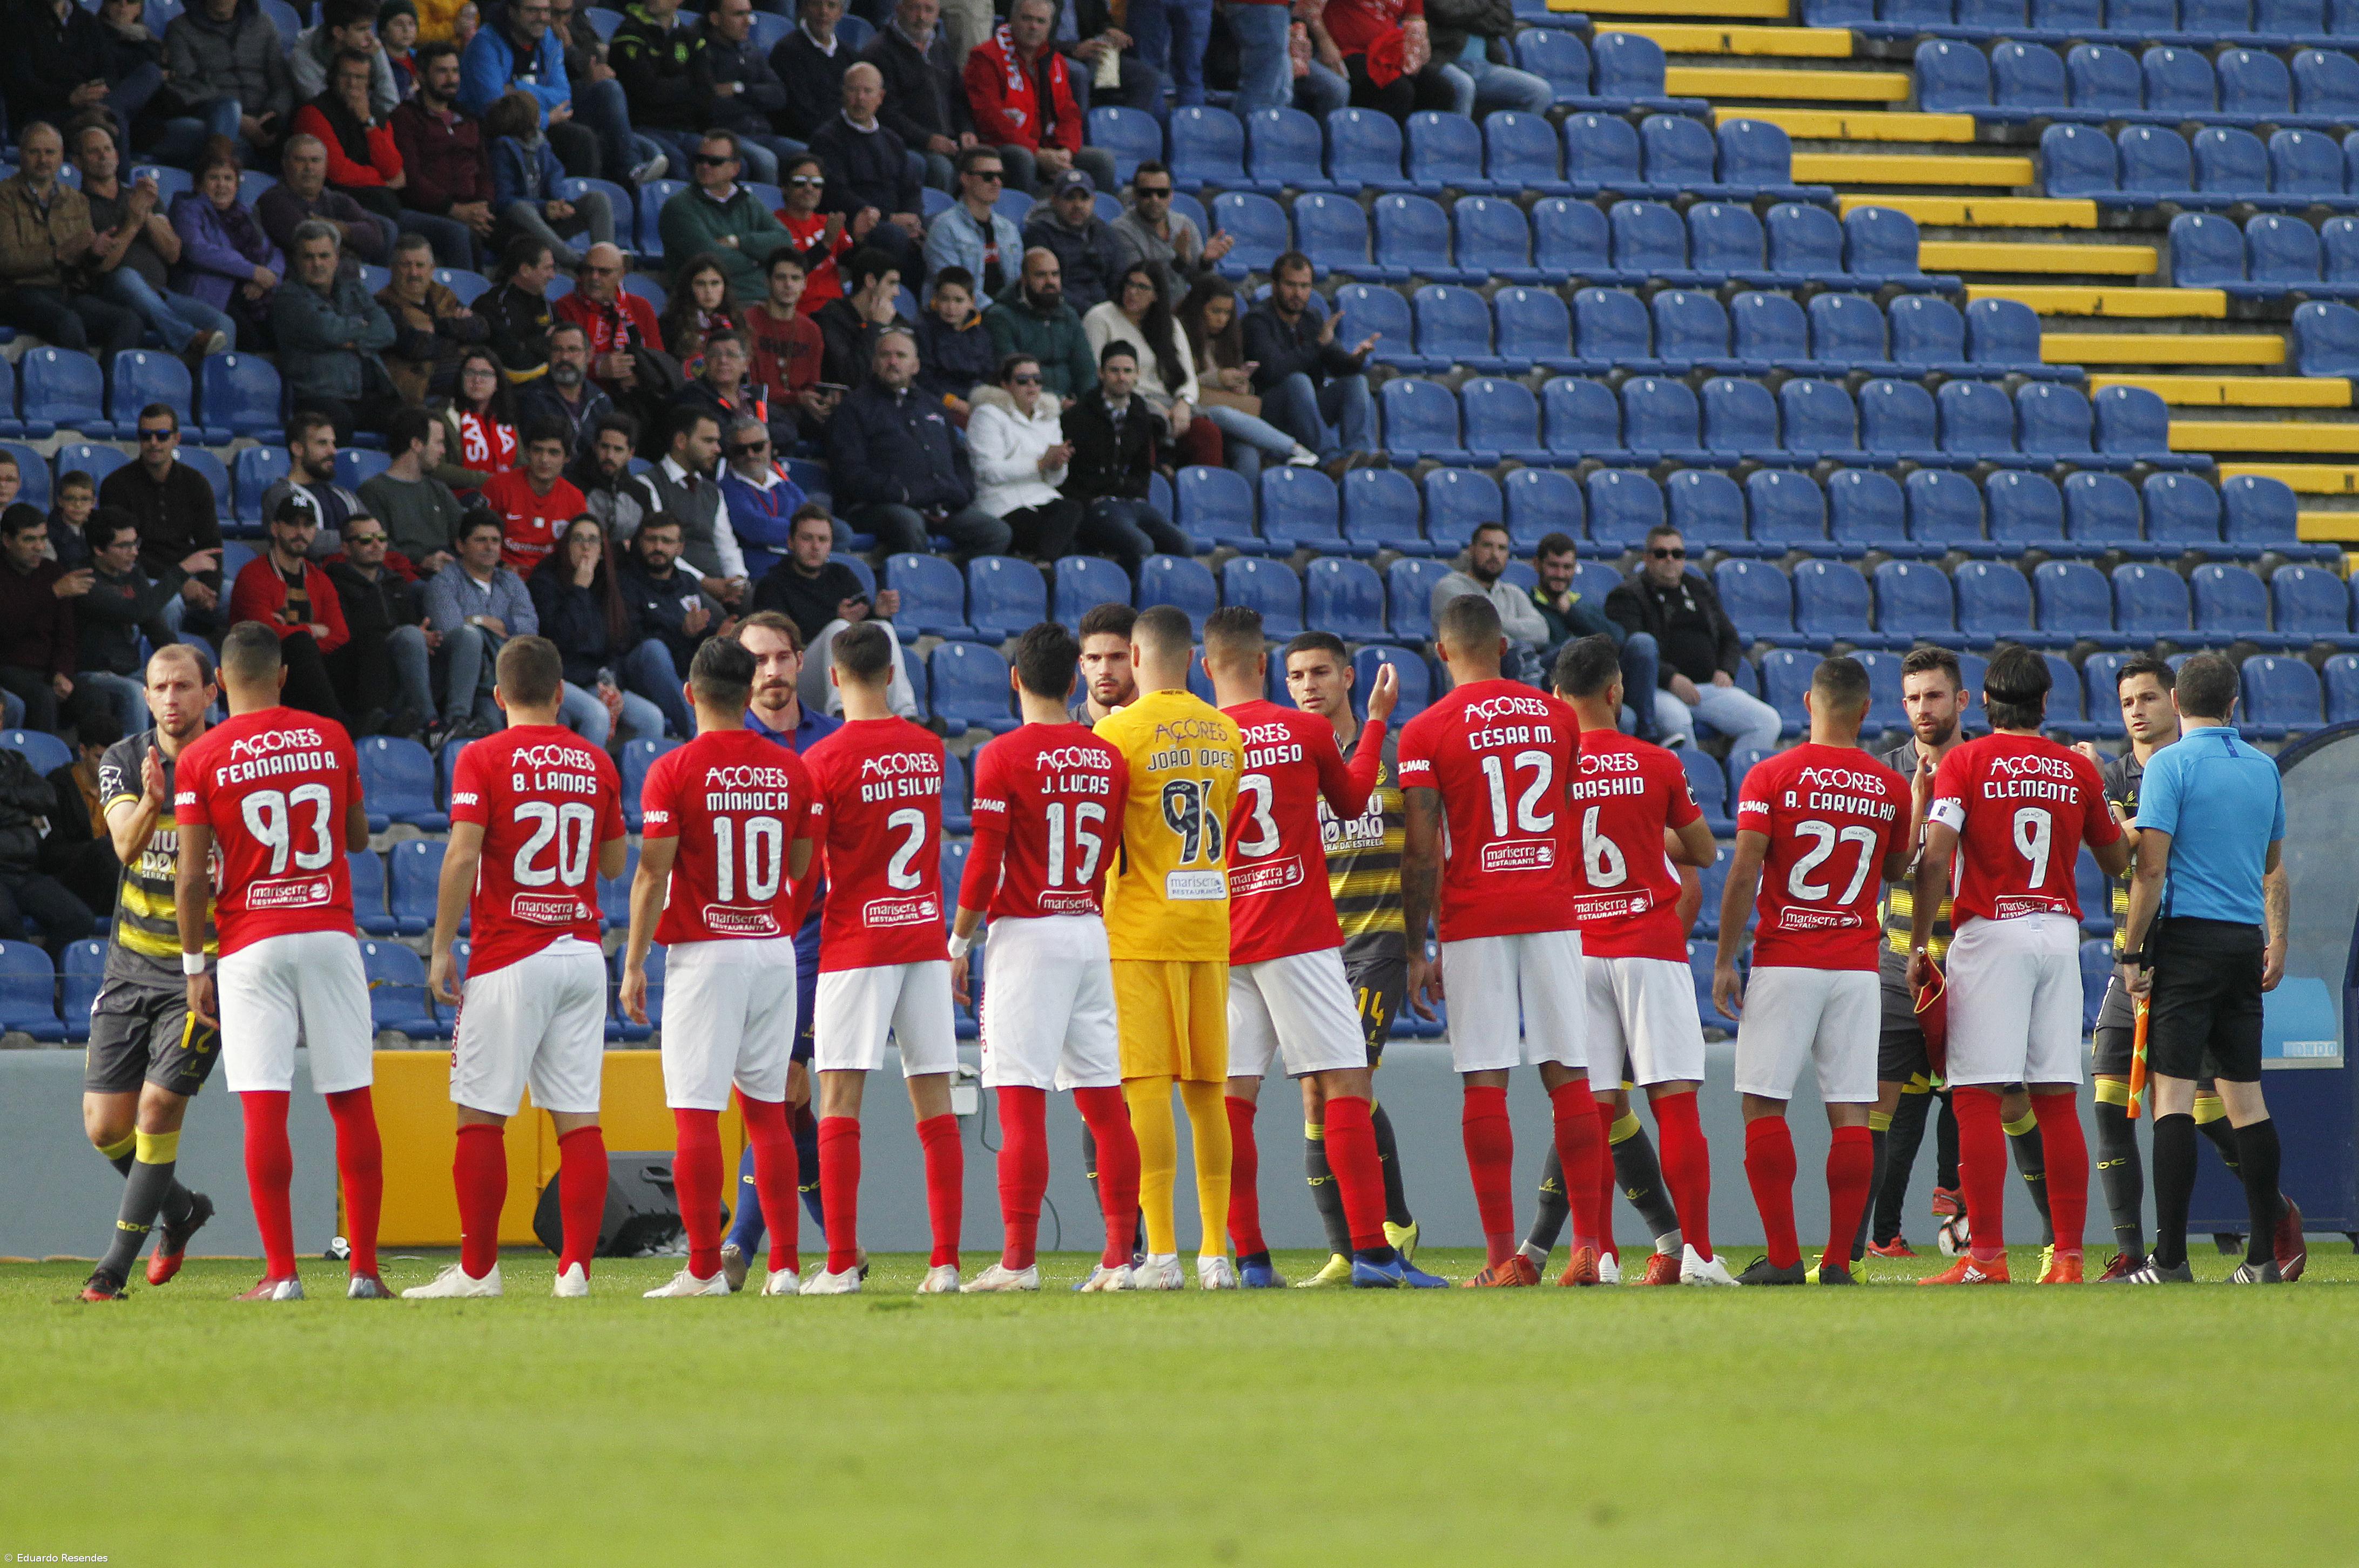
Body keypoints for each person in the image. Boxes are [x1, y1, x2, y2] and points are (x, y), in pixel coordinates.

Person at [1204, 609, 1440, 1290]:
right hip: (1301, 935)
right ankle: (1371, 1253)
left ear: (1205, 666)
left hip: (1225, 939)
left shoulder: (1196, 742)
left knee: (1233, 1100)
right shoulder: (1303, 731)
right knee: (1344, 1085)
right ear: (1261, 667)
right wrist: (1374, 724)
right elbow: (1353, 795)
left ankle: (1250, 1261)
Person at [401, 633, 624, 1300]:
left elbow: (463, 855)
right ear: (560, 694)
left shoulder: (483, 755)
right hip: (582, 953)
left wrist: (442, 947)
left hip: (510, 953)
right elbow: (613, 864)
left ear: (498, 696)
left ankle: (478, 1272)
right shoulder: (595, 761)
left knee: (480, 1117)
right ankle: (575, 1271)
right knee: (578, 1117)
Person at [1398, 592, 1608, 1288]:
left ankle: (1499, 1260)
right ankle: (1590, 1250)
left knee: (1485, 1078)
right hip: (1552, 907)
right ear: (1504, 647)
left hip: (1474, 915)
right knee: (1570, 1076)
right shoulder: (1558, 716)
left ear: (1442, 651)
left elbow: (1424, 852)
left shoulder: (1426, 731)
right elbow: (1574, 810)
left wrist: (1415, 948)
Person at [171, 620, 383, 1302]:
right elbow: (354, 839)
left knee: (264, 1106)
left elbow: (192, 875)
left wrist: (193, 965)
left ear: (219, 685)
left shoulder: (202, 757)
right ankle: (366, 1272)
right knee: (351, 1102)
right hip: (328, 931)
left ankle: (282, 1274)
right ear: (284, 676)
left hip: (250, 941)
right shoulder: (330, 736)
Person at [2074, 656, 2301, 1282]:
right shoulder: (2263, 769)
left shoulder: (2170, 766)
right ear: (2235, 703)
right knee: (2247, 1102)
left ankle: (2169, 1259)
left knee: (2170, 1099)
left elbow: (2148, 870)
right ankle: (2262, 1257)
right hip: (2241, 943)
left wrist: (2131, 951)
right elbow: (2270, 860)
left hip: (2186, 943)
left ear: (2177, 701)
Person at [1908, 645, 2127, 1286]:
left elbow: (1935, 855)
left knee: (1975, 1098)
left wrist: (1921, 945)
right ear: (2045, 703)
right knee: (2057, 1101)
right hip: (2059, 936)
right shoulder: (2074, 770)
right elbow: (2117, 863)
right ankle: (2068, 1258)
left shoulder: (1966, 762)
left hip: (1992, 932)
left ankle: (1986, 1260)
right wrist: (2102, 796)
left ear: (1984, 701)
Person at [619, 636, 818, 1294]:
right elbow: (800, 868)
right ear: (747, 693)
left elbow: (651, 873)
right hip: (771, 946)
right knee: (768, 1114)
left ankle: (704, 1267)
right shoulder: (793, 769)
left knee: (697, 1114)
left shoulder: (674, 769)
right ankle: (785, 1266)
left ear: (689, 693)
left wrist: (633, 963)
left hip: (707, 952)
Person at [947, 621, 1141, 1292]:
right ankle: (1121, 1258)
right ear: (1073, 681)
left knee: (1022, 1104)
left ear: (1014, 680)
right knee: (1105, 1103)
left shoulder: (1002, 756)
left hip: (1027, 935)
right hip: (1088, 928)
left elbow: (983, 864)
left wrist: (956, 944)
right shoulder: (1107, 757)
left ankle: (1019, 1262)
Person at [1713, 653, 1909, 1286]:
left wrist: (1723, 958)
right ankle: (1837, 1264)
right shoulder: (1889, 785)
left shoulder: (1770, 775)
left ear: (1807, 704)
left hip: (1786, 958)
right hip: (1856, 965)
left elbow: (1745, 869)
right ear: (1866, 710)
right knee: (1852, 1110)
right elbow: (1897, 871)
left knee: (1763, 1106)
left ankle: (1784, 1256)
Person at [1549, 634, 1729, 1286]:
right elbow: (1705, 853)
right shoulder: (1655, 763)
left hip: (1575, 949)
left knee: (1593, 1107)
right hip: (1649, 947)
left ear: (1556, 697)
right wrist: (1646, 828)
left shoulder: (1550, 768)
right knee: (1673, 1101)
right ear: (1617, 690)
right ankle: (1699, 1258)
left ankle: (1596, 1253)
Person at [799, 620, 966, 1294]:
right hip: (922, 938)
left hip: (855, 942)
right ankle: (946, 1263)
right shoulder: (930, 750)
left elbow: (808, 868)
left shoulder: (825, 760)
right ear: (893, 676)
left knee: (840, 1099)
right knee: (935, 1101)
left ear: (835, 679)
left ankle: (841, 1264)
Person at [1088, 605, 1240, 1289]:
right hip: (1209, 926)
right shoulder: (1227, 732)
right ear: (1194, 661)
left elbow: (1105, 837)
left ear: (1139, 658)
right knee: (1209, 1092)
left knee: (1146, 1090)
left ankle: (1164, 1255)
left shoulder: (1115, 731)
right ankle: (1216, 1254)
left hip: (1141, 929)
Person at [1270, 633, 1425, 1284]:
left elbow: (1422, 855)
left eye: (1321, 672)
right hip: (1312, 951)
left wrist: (1420, 948)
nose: (1309, 685)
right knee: (1317, 1095)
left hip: (1377, 946)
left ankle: (1388, 1234)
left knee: (1347, 1083)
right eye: (1298, 675)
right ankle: (1348, 1249)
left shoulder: (1393, 754)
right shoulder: (1291, 760)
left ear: (1349, 677)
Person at [71, 647, 223, 1303]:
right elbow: (123, 848)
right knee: (106, 1126)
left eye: (184, 687)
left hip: (203, 971)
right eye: (159, 687)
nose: (170, 699)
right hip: (131, 964)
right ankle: (181, 1209)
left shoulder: (231, 763)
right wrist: (153, 801)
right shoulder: (123, 761)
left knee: (159, 1108)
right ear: (146, 694)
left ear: (210, 692)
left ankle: (112, 1270)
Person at [712, 611, 836, 1282]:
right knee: (787, 1103)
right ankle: (841, 1244)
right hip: (750, 940)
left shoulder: (832, 741)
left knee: (781, 1089)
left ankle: (742, 1243)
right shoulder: (728, 744)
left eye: (784, 657)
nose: (772, 671)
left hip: (815, 943)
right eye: (758, 660)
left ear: (798, 663)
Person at [827, 329, 1014, 563]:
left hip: (940, 506)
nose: (893, 362)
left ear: (915, 366)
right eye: (886, 355)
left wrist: (963, 491)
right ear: (874, 363)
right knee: (908, 523)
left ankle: (949, 583)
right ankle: (914, 589)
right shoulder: (854, 408)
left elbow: (959, 457)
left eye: (901, 356)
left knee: (996, 532)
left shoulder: (933, 406)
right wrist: (900, 493)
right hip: (880, 506)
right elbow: (849, 471)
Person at [1605, 524, 1782, 755]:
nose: (1670, 560)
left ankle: (1740, 786)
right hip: (1656, 690)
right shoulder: (1628, 595)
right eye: (1661, 554)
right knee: (1678, 723)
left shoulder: (1700, 588)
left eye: (1677, 554)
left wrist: (1726, 670)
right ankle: (1691, 788)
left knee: (1768, 721)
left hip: (1706, 688)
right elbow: (1630, 651)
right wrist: (1671, 678)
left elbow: (1730, 637)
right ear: (1647, 558)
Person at [71, 121, 236, 364]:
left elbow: (173, 253)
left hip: (160, 294)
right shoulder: (77, 204)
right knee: (127, 276)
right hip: (111, 293)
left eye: (107, 149)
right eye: (93, 151)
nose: (103, 156)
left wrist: (146, 213)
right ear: (78, 162)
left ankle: (202, 389)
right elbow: (103, 266)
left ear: (117, 156)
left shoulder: (141, 195)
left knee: (224, 323)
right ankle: (190, 338)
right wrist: (134, 223)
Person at [296, 48, 476, 267]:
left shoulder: (377, 114)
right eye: (346, 76)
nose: (353, 84)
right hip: (346, 206)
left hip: (388, 208)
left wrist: (368, 123)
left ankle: (463, 302)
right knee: (386, 231)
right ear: (333, 77)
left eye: (360, 77)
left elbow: (394, 170)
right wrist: (382, 181)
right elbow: (337, 172)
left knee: (457, 233)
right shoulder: (315, 112)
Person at [0, 124, 143, 355]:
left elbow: (85, 267)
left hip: (66, 292)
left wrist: (95, 254)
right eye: (34, 152)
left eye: (50, 152)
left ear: (61, 156)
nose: (43, 159)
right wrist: (58, 254)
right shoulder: (4, 196)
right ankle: (84, 385)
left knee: (130, 321)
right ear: (20, 153)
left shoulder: (76, 200)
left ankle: (106, 385)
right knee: (68, 322)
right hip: (19, 293)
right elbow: (6, 261)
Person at [528, 516, 665, 742]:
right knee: (597, 714)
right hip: (558, 682)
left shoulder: (607, 585)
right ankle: (590, 777)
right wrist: (579, 589)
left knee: (652, 717)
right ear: (566, 547)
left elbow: (619, 643)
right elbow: (559, 638)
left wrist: (611, 684)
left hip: (595, 681)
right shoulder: (545, 581)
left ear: (602, 550)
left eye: (593, 540)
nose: (585, 547)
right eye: (578, 539)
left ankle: (635, 778)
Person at [963, 0, 1118, 196]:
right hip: (1002, 148)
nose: (1034, 26)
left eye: (1041, 21)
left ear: (1049, 26)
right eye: (1027, 18)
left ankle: (1090, 224)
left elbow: (1069, 113)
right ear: (1012, 20)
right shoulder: (986, 58)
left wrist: (1066, 151)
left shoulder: (1056, 61)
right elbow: (990, 119)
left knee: (1102, 162)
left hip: (1049, 147)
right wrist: (1037, 153)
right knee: (1023, 158)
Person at [1062, 341, 1190, 578]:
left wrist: (1135, 493)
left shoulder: (1141, 412)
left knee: (1183, 544)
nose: (1121, 377)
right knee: (1141, 546)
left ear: (1138, 375)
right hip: (1096, 503)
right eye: (1114, 370)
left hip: (1133, 502)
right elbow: (1071, 472)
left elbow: (1143, 468)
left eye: (1128, 371)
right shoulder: (1078, 415)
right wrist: (1093, 496)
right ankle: (1124, 598)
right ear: (1101, 373)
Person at [1175, 275, 1318, 484]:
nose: (1222, 319)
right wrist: (1219, 378)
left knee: (1249, 454)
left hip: (1229, 414)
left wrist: (1243, 386)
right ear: (1198, 308)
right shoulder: (1179, 334)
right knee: (1222, 413)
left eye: (1227, 313)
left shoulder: (1229, 339)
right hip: (1194, 411)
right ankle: (1294, 448)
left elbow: (1238, 384)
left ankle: (1239, 512)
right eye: (1215, 311)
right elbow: (1183, 381)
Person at [79, 509, 204, 738]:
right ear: (99, 549)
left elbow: (153, 623)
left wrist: (184, 661)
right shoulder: (84, 580)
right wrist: (182, 572)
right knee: (136, 693)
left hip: (131, 670)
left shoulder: (133, 573)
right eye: (124, 546)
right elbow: (134, 611)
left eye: (135, 543)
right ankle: (133, 764)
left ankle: (200, 750)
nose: (134, 552)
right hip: (93, 673)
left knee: (193, 682)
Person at [230, 495, 353, 725]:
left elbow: (341, 635)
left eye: (308, 525)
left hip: (311, 673)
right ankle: (341, 725)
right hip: (266, 673)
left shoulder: (321, 580)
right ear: (276, 528)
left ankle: (375, 722)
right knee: (299, 642)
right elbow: (265, 636)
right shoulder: (253, 575)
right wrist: (312, 631)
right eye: (293, 524)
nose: (301, 532)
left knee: (364, 643)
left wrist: (300, 639)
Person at [100, 404, 226, 630]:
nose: (154, 443)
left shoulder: (196, 483)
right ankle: (166, 666)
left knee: (239, 596)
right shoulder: (116, 485)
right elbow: (125, 554)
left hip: (190, 575)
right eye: (146, 436)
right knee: (170, 605)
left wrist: (210, 589)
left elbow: (211, 543)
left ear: (176, 439)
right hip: (143, 577)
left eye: (162, 436)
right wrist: (179, 582)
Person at [1244, 251, 1375, 467]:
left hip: (1309, 412)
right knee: (1299, 381)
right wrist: (1317, 345)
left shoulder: (1312, 318)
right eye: (1291, 285)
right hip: (1272, 414)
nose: (1298, 293)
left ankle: (1358, 455)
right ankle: (1330, 460)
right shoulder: (1257, 320)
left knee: (1356, 383)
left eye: (1305, 286)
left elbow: (1334, 360)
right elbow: (1274, 370)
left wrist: (1355, 359)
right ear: (1274, 285)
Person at [274, 219, 403, 438]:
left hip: (364, 394)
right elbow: (328, 331)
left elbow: (387, 332)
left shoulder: (354, 289)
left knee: (411, 422)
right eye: (309, 257)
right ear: (296, 260)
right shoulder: (289, 297)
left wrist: (350, 338)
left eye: (324, 256)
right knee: (337, 423)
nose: (317, 264)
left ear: (336, 259)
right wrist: (360, 326)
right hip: (317, 395)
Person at [1084, 263, 1219, 469]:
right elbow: (1098, 372)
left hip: (1171, 403)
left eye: (1142, 287)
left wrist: (1184, 403)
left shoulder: (1170, 324)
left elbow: (1188, 377)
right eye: (1129, 284)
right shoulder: (1101, 317)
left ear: (1156, 295)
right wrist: (1154, 408)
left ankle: (1203, 494)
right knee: (1144, 425)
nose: (1132, 292)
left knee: (1207, 433)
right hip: (1128, 400)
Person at [1529, 531, 1659, 739]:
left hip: (1603, 685)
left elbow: (1617, 638)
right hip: (1563, 693)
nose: (1561, 574)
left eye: (1567, 567)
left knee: (1642, 643)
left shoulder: (1581, 605)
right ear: (1537, 565)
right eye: (1553, 566)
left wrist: (1571, 612)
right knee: (1573, 648)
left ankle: (1647, 737)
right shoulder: (1528, 604)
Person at [455, 0, 602, 180]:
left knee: (583, 139)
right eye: (532, 11)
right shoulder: (485, 43)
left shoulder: (549, 37)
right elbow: (494, 108)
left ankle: (574, 203)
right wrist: (545, 119)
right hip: (491, 129)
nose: (542, 18)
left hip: (531, 123)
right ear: (512, 11)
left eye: (546, 11)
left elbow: (563, 96)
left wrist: (516, 88)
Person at [423, 508, 538, 732]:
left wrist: (479, 621)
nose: (490, 547)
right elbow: (455, 633)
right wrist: (501, 626)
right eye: (481, 540)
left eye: (495, 541)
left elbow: (530, 627)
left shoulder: (512, 582)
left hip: (516, 681)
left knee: (569, 716)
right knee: (495, 726)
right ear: (460, 546)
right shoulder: (443, 583)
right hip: (476, 687)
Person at [323, 512, 436, 735]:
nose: (376, 545)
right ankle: (430, 724)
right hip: (359, 674)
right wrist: (412, 634)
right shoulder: (333, 583)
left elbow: (411, 626)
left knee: (460, 638)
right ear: (346, 548)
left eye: (381, 538)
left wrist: (424, 636)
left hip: (402, 666)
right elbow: (347, 635)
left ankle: (457, 718)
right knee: (404, 638)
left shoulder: (396, 582)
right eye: (366, 539)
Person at [807, 63, 924, 278]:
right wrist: (890, 218)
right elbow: (836, 193)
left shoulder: (893, 141)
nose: (860, 98)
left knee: (935, 233)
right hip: (857, 224)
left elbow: (912, 188)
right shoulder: (827, 139)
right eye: (853, 90)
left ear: (880, 97)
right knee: (893, 236)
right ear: (843, 93)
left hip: (894, 220)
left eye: (868, 91)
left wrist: (914, 219)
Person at [170, 137, 285, 350]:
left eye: (228, 178)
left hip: (254, 293)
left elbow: (274, 252)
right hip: (213, 296)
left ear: (236, 184)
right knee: (249, 338)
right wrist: (252, 271)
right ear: (198, 184)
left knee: (286, 327)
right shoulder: (187, 208)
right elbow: (197, 250)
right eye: (214, 178)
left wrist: (267, 277)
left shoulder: (247, 213)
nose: (222, 185)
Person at [614, 512, 722, 738]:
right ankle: (698, 737)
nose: (658, 547)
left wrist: (719, 636)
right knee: (654, 649)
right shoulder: (625, 583)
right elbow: (630, 638)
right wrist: (682, 632)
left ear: (680, 548)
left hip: (684, 674)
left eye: (667, 541)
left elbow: (701, 631)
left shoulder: (688, 583)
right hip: (639, 673)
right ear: (639, 543)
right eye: (651, 540)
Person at [390, 43, 500, 265]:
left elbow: (485, 172)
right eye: (442, 71)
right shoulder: (406, 117)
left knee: (522, 235)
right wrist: (454, 209)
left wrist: (483, 207)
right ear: (421, 76)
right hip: (430, 210)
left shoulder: (468, 119)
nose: (451, 78)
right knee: (460, 234)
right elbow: (412, 178)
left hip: (474, 209)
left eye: (455, 71)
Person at [966, 353, 1080, 562]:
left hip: (1042, 499)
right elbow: (988, 472)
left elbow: (1055, 481)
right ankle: (1044, 568)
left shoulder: (1049, 417)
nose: (1032, 385)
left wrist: (1057, 465)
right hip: (1002, 504)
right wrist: (1040, 464)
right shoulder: (988, 415)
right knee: (1066, 539)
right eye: (1022, 380)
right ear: (1006, 385)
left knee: (1073, 512)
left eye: (1037, 380)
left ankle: (1044, 567)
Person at [478, 86, 609, 269]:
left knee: (598, 200)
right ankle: (574, 262)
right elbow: (504, 201)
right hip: (516, 228)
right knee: (521, 208)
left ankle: (607, 260)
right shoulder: (501, 150)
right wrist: (544, 208)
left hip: (547, 220)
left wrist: (561, 203)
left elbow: (555, 173)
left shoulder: (541, 144)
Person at [659, 131, 793, 304]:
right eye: (700, 159)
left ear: (735, 169)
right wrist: (759, 262)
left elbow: (784, 241)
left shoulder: (747, 201)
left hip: (761, 300)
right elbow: (713, 260)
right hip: (708, 306)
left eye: (715, 162)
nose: (705, 166)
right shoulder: (679, 207)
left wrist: (738, 242)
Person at [0, 504, 99, 735]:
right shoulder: (53, 584)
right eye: (29, 540)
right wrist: (51, 593)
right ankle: (44, 767)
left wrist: (62, 672)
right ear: (7, 540)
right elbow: (7, 627)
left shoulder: (54, 572)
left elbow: (66, 635)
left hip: (48, 670)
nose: (39, 547)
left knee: (93, 697)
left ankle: (93, 766)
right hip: (9, 666)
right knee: (42, 697)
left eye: (43, 538)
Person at [163, 0, 299, 164]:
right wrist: (241, 121)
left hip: (263, 119)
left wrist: (273, 113)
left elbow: (282, 84)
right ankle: (219, 168)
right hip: (213, 114)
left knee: (302, 145)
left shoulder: (264, 24)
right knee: (229, 113)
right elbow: (188, 85)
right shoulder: (180, 28)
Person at [644, 408, 753, 603]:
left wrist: (738, 580)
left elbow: (726, 546)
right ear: (681, 442)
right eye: (708, 441)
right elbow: (659, 546)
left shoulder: (713, 492)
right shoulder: (649, 484)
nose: (718, 449)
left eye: (717, 442)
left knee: (759, 605)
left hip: (720, 584)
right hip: (678, 585)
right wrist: (705, 582)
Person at [864, 0, 971, 192]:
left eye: (929, 10)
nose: (922, 17)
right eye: (915, 8)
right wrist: (928, 140)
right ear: (899, 9)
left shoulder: (941, 48)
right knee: (942, 169)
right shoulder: (880, 51)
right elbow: (886, 113)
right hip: (909, 144)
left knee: (987, 165)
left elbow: (959, 100)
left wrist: (966, 130)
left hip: (950, 142)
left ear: (938, 13)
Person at [377, 231, 490, 404]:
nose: (414, 273)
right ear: (392, 269)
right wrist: (458, 335)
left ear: (432, 269)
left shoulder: (442, 294)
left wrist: (435, 327)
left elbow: (480, 328)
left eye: (420, 265)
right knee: (476, 376)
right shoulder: (383, 303)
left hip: (452, 369)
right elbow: (416, 347)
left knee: (490, 371)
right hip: (417, 379)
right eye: (406, 265)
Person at [608, 0, 716, 177]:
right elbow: (647, 93)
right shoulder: (629, 33)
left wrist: (667, 86)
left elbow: (707, 93)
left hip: (686, 129)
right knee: (678, 165)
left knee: (729, 161)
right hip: (646, 128)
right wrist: (687, 83)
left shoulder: (691, 37)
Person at [1430, 523, 1546, 684]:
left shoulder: (1513, 593)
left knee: (1567, 654)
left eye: (1502, 548)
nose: (1494, 554)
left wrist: (1496, 624)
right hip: (1472, 679)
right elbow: (1479, 636)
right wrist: (1517, 632)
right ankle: (1529, 708)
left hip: (1514, 670)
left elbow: (1542, 632)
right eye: (1487, 546)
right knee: (1521, 653)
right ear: (1472, 550)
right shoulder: (1450, 588)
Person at [698, 0, 800, 184]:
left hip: (763, 134)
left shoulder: (750, 50)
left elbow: (779, 95)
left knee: (808, 155)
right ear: (715, 19)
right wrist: (757, 100)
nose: (749, 21)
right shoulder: (702, 52)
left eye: (749, 14)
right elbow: (711, 105)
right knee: (766, 161)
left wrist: (739, 89)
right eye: (739, 15)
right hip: (729, 136)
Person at [259, 132, 397, 266]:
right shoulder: (273, 200)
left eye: (315, 160)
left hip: (341, 277)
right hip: (298, 280)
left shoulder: (338, 200)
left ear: (326, 165)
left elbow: (376, 237)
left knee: (387, 228)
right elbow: (307, 240)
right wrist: (350, 246)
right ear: (285, 163)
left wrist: (337, 227)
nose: (309, 167)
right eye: (300, 160)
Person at [1111, 160, 1232, 308]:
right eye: (1146, 193)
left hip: (1180, 311)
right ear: (1135, 195)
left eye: (1162, 193)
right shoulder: (1121, 230)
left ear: (1171, 195)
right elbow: (1141, 289)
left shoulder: (1184, 225)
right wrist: (1178, 263)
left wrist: (1205, 263)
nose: (1155, 199)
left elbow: (1202, 286)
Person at [358, 407, 467, 572]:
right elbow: (379, 546)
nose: (443, 451)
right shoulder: (374, 491)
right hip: (407, 578)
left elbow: (465, 534)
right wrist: (422, 562)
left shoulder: (439, 490)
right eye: (438, 443)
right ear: (416, 444)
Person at [985, 246, 1096, 402]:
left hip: (1074, 407)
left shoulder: (1069, 315)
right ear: (1024, 279)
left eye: (1055, 274)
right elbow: (1014, 373)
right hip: (1026, 403)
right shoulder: (1001, 317)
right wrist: (1060, 402)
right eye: (1041, 275)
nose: (1050, 281)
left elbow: (1086, 369)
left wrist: (1089, 402)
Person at [745, 252, 836, 444]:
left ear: (804, 284)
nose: (788, 285)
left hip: (799, 408)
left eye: (795, 278)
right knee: (785, 432)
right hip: (760, 407)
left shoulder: (811, 330)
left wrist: (818, 402)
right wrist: (798, 398)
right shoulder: (748, 322)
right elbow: (750, 387)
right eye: (781, 278)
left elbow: (813, 383)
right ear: (767, 282)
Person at [482, 418, 587, 576]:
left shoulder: (575, 499)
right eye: (538, 450)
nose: (544, 459)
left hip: (550, 580)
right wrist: (502, 566)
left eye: (554, 452)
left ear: (567, 458)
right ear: (527, 452)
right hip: (498, 574)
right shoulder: (498, 487)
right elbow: (476, 538)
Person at [922, 148, 1022, 305]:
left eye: (1001, 176)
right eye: (988, 177)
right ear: (965, 179)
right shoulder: (944, 227)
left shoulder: (1009, 229)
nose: (997, 183)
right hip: (964, 317)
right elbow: (953, 290)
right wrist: (1000, 314)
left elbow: (1018, 284)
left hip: (1005, 316)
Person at [1320, 0, 1451, 118]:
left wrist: (1421, 46)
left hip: (1390, 53)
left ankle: (1422, 142)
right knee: (1399, 91)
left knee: (1440, 90)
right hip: (1350, 52)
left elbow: (1416, 21)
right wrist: (1324, 41)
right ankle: (1381, 142)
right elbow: (1308, 8)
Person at [771, 151, 859, 317]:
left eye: (816, 183)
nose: (809, 189)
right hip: (800, 312)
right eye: (800, 183)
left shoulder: (829, 222)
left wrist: (860, 239)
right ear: (784, 187)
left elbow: (853, 264)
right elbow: (792, 271)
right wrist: (826, 243)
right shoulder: (774, 225)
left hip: (837, 310)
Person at [1427, 0, 1551, 117]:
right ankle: (1458, 139)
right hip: (1444, 60)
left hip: (1484, 66)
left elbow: (1505, 21)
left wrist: (1466, 16)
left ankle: (1510, 137)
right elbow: (1447, 11)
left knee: (1540, 92)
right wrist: (1485, 7)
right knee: (1464, 85)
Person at [1025, 170, 1121, 316]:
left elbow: (1119, 279)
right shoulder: (1039, 234)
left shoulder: (1105, 232)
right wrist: (1094, 312)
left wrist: (1111, 310)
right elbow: (1046, 286)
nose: (1078, 205)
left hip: (1106, 314)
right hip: (1061, 314)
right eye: (1070, 198)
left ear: (1094, 201)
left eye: (1084, 198)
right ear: (1054, 200)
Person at [258, 410, 362, 546]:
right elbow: (308, 542)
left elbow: (373, 533)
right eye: (322, 443)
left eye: (333, 444)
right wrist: (358, 539)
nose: (333, 451)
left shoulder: (343, 495)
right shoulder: (280, 494)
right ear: (297, 449)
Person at [814, 246, 912, 390]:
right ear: (871, 281)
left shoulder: (896, 321)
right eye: (891, 283)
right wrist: (876, 326)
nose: (897, 293)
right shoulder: (830, 319)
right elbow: (853, 377)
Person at [913, 268, 996, 421]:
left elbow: (988, 374)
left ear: (972, 302)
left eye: (959, 300)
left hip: (976, 401)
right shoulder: (924, 331)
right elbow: (924, 378)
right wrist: (955, 403)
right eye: (945, 299)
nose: (951, 307)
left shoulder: (981, 334)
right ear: (935, 300)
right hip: (940, 403)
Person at [292, 0, 401, 117]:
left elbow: (391, 102)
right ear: (339, 33)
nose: (370, 36)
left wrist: (374, 59)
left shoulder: (371, 45)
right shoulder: (304, 55)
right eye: (362, 29)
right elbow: (324, 110)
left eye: (370, 28)